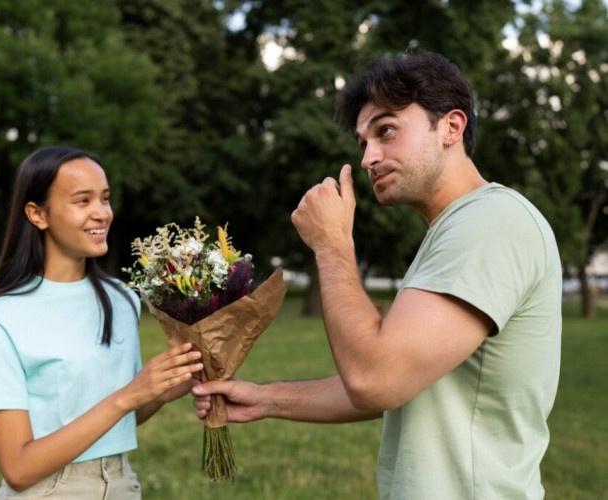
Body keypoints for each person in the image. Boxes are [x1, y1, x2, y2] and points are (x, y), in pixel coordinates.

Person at [193, 51, 562, 499]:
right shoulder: (456, 230)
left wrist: (331, 244)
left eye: (386, 131)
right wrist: (267, 398)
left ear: (451, 127)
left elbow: (375, 379)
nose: (369, 157)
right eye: (363, 141)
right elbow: (401, 381)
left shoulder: (490, 223)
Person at [0, 146, 203, 499]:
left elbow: (119, 419)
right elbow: (17, 469)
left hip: (121, 483)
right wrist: (127, 396)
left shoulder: (122, 298)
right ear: (37, 213)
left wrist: (167, 387)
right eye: (82, 201)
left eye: (104, 199)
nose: (101, 213)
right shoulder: (2, 318)